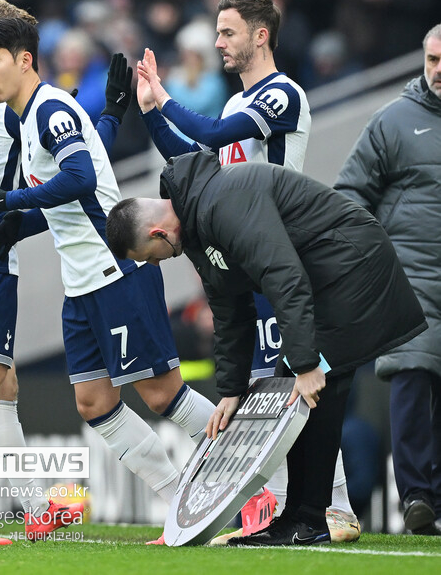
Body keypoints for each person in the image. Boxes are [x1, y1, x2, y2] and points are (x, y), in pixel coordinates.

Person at [0, 15, 216, 543]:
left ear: (24, 60)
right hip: (80, 283)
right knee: (94, 403)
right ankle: (180, 502)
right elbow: (80, 179)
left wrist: (12, 201)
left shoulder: (49, 109)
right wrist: (22, 224)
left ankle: (262, 481)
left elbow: (79, 179)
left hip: (115, 269)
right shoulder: (27, 116)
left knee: (161, 394)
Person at [105, 150, 427, 545]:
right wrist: (231, 391)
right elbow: (230, 312)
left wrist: (307, 363)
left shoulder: (223, 202)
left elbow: (283, 275)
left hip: (354, 267)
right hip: (326, 278)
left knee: (312, 387)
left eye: (149, 257)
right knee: (290, 389)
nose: (157, 264)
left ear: (158, 233)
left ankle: (310, 519)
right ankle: (298, 517)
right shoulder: (196, 228)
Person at [136, 0, 359, 543]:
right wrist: (149, 112)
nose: (218, 42)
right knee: (268, 391)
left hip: (286, 259)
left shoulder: (282, 93)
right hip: (250, 265)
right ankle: (284, 511)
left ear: (261, 35)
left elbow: (211, 136)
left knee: (297, 385)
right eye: (217, 32)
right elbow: (192, 163)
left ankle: (336, 508)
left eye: (227, 32)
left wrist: (165, 95)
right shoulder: (237, 106)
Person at [0, 0, 128, 546]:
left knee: (3, 383)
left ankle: (37, 506)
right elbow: (79, 169)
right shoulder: (9, 106)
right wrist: (104, 119)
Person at [334, 23, 441, 536]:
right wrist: (374, 259)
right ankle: (417, 496)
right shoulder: (393, 121)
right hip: (410, 275)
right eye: (433, 60)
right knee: (411, 373)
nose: (439, 70)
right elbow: (349, 194)